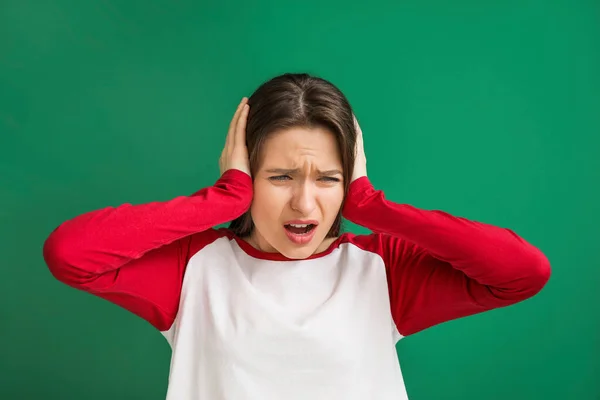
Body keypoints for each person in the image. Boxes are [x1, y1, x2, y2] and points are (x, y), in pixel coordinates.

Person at [43, 73, 551, 400]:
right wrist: (222, 198)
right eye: (280, 177)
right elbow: (70, 254)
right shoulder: (193, 269)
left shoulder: (381, 269)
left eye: (327, 179)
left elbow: (522, 273)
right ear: (247, 174)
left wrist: (374, 207)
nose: (304, 205)